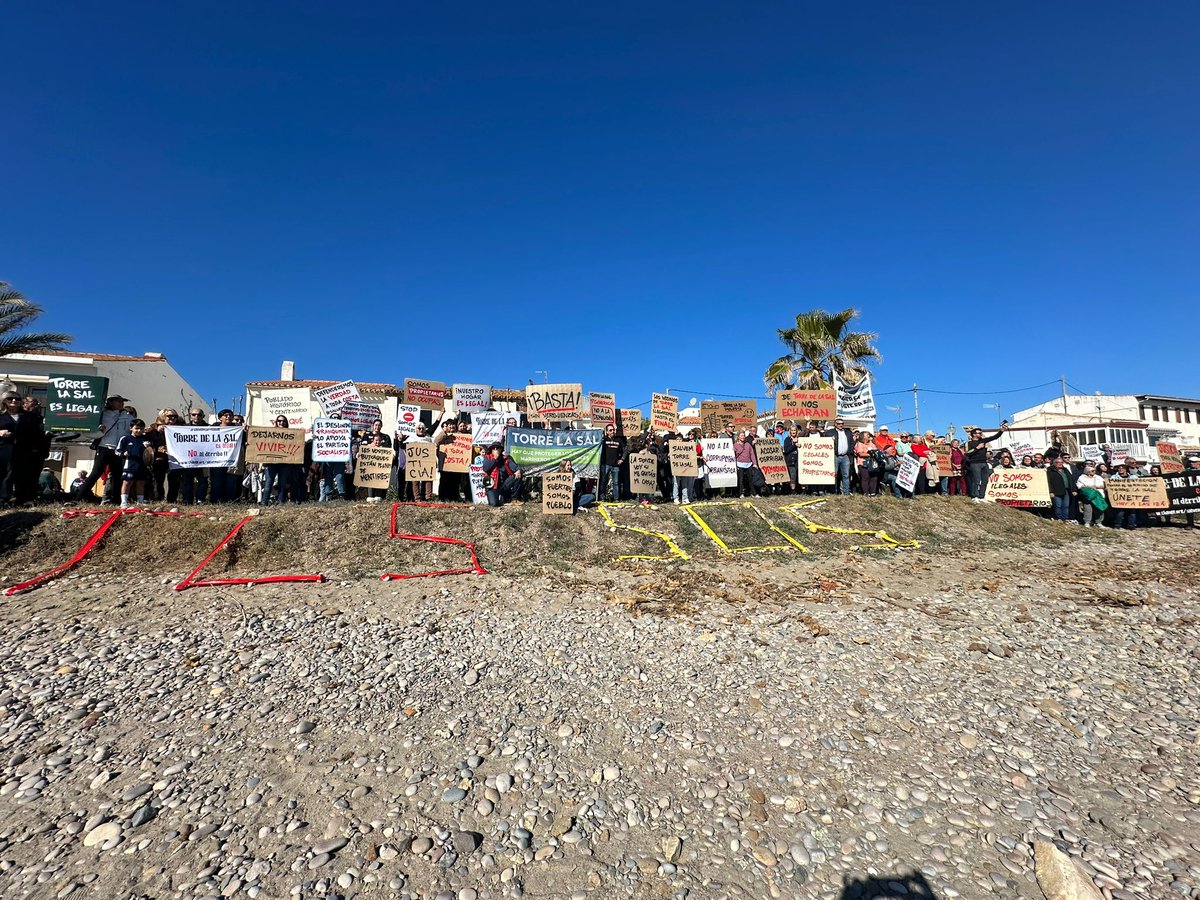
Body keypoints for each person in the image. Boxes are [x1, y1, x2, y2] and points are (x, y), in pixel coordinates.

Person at [75, 395, 132, 504]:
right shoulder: (101, 415)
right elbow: (88, 432)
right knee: (95, 473)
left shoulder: (128, 417)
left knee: (117, 475)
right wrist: (100, 431)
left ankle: (116, 501)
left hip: (119, 450)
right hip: (104, 448)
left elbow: (132, 431)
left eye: (122, 401)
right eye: (118, 401)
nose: (121, 403)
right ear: (110, 402)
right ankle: (78, 498)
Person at [116, 419, 152, 508]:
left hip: (142, 465)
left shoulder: (145, 440)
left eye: (141, 429)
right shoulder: (125, 439)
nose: (139, 431)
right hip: (130, 465)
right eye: (137, 428)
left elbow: (151, 452)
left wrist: (149, 447)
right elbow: (117, 451)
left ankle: (140, 501)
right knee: (127, 482)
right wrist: (123, 453)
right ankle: (124, 502)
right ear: (131, 428)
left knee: (141, 483)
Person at [965, 425, 1007, 500]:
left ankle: (981, 496)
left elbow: (994, 437)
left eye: (981, 433)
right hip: (975, 463)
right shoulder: (969, 443)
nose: (981, 434)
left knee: (985, 480)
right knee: (976, 480)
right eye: (979, 433)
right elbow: (967, 453)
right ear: (974, 434)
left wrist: (1001, 431)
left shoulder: (983, 441)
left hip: (984, 462)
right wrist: (977, 448)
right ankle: (974, 496)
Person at [179, 407, 210, 504]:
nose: (196, 416)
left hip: (204, 459)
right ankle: (187, 500)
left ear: (203, 416)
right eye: (194, 414)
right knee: (187, 480)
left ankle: (200, 499)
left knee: (203, 480)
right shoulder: (183, 428)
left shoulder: (210, 428)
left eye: (199, 414)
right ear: (190, 416)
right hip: (188, 458)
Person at [823, 418, 856, 495]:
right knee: (833, 474)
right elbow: (823, 441)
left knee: (846, 475)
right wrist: (830, 440)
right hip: (834, 456)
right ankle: (833, 491)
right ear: (835, 424)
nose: (841, 425)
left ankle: (846, 492)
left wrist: (850, 452)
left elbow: (852, 443)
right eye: (839, 423)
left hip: (845, 456)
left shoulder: (848, 432)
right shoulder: (830, 432)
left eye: (842, 423)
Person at [1076, 460, 1107, 527]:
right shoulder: (1082, 477)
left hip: (1098, 495)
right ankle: (1087, 522)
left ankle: (1099, 522)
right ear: (1088, 472)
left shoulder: (1098, 477)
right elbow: (1079, 486)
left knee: (1099, 508)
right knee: (1088, 509)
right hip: (1088, 496)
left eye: (1094, 471)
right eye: (1092, 471)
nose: (1094, 472)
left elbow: (1104, 485)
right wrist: (1090, 487)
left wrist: (1097, 487)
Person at [599, 423, 625, 502]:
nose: (613, 431)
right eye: (610, 430)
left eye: (613, 430)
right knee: (604, 481)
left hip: (615, 465)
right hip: (605, 464)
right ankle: (602, 497)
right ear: (607, 432)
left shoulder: (619, 440)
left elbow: (625, 450)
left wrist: (622, 459)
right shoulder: (604, 440)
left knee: (616, 483)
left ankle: (616, 498)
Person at [1046, 456, 1076, 522]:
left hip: (1066, 490)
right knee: (1058, 505)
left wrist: (1074, 490)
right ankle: (1058, 518)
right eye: (1058, 462)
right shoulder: (1050, 470)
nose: (1060, 464)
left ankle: (1065, 518)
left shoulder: (1065, 470)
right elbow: (1048, 481)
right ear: (1054, 463)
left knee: (1066, 505)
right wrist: (1051, 491)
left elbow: (1071, 480)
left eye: (1061, 462)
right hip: (1056, 490)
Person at [733, 429, 759, 497]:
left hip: (748, 464)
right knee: (741, 480)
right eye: (741, 435)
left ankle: (754, 493)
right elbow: (733, 455)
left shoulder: (748, 444)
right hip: (740, 464)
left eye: (744, 435)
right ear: (738, 437)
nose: (743, 437)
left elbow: (752, 454)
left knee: (751, 479)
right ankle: (741, 493)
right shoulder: (735, 445)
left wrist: (754, 463)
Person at [855, 430, 881, 496]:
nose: (869, 436)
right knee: (865, 478)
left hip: (872, 463)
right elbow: (860, 454)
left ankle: (872, 492)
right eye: (867, 435)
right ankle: (865, 492)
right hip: (863, 463)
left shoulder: (872, 444)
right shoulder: (859, 444)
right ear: (863, 436)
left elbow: (876, 451)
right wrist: (871, 455)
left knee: (873, 477)